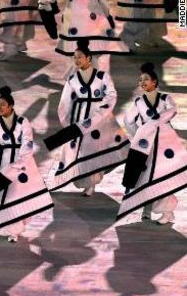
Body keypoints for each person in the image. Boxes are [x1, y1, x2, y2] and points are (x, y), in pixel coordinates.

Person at [46, 39, 129, 195]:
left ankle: (91, 184)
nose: (77, 60)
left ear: (89, 58)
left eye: (80, 57)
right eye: (74, 57)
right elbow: (65, 103)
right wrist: (68, 123)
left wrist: (102, 113)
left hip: (100, 121)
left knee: (93, 150)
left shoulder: (102, 77)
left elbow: (111, 96)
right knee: (79, 152)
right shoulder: (72, 80)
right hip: (79, 120)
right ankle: (84, 181)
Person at [0, 87, 53, 242]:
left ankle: (14, 230)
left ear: (11, 106)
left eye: (3, 105)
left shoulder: (23, 122)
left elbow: (27, 145)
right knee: (1, 197)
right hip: (3, 164)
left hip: (21, 165)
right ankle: (6, 225)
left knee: (16, 196)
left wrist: (18, 165)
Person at [118, 63, 187, 224]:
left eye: (146, 79)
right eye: (140, 80)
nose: (142, 82)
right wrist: (139, 135)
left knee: (163, 175)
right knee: (146, 175)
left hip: (165, 142)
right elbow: (128, 120)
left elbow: (172, 110)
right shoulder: (139, 102)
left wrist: (152, 123)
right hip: (147, 144)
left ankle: (167, 212)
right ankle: (147, 209)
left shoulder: (165, 98)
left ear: (154, 82)